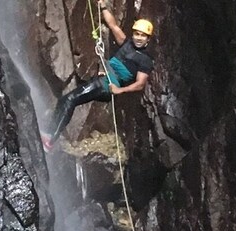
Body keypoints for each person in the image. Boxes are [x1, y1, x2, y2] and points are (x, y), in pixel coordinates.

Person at [41, 1, 155, 150]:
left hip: (107, 84)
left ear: (148, 39)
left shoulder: (145, 60)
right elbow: (112, 24)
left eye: (143, 36)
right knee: (64, 100)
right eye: (137, 34)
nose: (139, 38)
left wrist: (120, 90)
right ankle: (49, 133)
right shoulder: (127, 43)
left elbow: (140, 84)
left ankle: (50, 139)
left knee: (70, 99)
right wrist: (102, 5)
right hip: (102, 80)